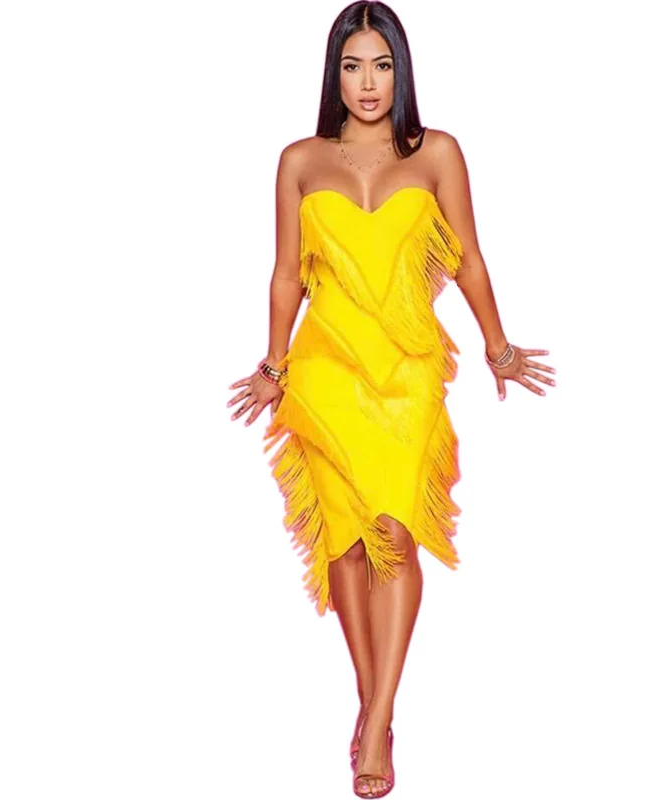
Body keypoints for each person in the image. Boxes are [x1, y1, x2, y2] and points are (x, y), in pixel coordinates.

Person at [227, 2, 556, 796]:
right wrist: (274, 364)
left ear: (401, 71)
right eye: (352, 66)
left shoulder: (436, 151)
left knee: (395, 535)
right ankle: (373, 705)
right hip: (327, 372)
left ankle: (375, 721)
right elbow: (286, 275)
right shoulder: (300, 160)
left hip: (407, 372)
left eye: (381, 65)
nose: (368, 82)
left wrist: (498, 347)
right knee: (345, 544)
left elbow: (468, 258)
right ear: (333, 73)